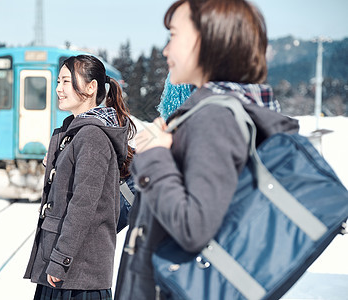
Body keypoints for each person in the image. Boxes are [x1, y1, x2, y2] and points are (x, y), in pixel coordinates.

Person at [114, 0, 299, 299]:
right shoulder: (227, 110)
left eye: (173, 35)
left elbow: (194, 226)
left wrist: (156, 156)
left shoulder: (214, 118)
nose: (165, 50)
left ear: (208, 40)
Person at [24, 54, 136, 300]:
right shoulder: (75, 132)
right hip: (63, 271)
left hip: (77, 276)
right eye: (58, 82)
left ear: (90, 87)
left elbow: (83, 205)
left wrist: (60, 259)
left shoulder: (92, 136)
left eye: (65, 81)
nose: (58, 89)